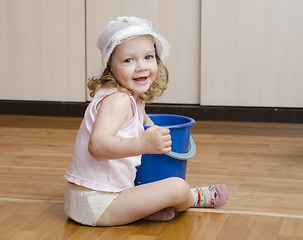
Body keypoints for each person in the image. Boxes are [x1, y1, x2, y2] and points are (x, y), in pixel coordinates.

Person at [64, 16, 229, 227]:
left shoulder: (131, 97)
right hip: (97, 204)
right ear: (110, 68)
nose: (141, 66)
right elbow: (97, 145)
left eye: (148, 57)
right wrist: (144, 144)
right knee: (176, 187)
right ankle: (192, 197)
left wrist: (155, 132)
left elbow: (145, 121)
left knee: (152, 180)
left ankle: (141, 210)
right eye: (128, 60)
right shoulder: (118, 101)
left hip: (99, 199)